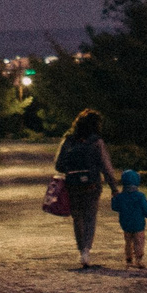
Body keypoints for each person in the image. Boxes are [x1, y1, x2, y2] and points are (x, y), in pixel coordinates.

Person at [54, 109, 121, 269]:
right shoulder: (97, 142)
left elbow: (59, 165)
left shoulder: (68, 140)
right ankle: (86, 251)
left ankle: (81, 251)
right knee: (90, 217)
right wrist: (114, 188)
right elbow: (106, 167)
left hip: (73, 185)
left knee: (78, 218)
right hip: (92, 185)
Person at [111, 168, 147, 269]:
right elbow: (146, 209)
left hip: (125, 223)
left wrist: (114, 198)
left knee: (128, 242)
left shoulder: (120, 196)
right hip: (138, 224)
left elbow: (115, 207)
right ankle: (139, 259)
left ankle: (129, 259)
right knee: (139, 241)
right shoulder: (140, 196)